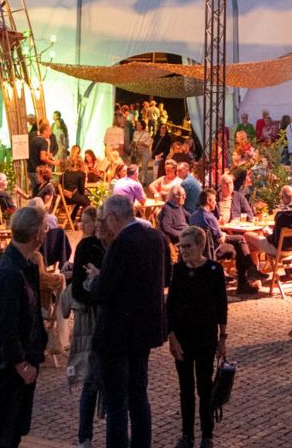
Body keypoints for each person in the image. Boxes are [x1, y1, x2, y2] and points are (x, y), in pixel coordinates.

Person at [85, 193, 170, 448]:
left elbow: (105, 291)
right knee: (138, 396)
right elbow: (165, 278)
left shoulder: (121, 243)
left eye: (104, 219)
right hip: (144, 331)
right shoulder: (155, 236)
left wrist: (94, 282)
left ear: (112, 217)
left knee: (116, 404)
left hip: (117, 334)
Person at [0, 204, 50, 448]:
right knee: (2, 432)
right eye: (44, 228)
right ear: (36, 234)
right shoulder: (10, 272)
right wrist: (20, 363)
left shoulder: (24, 265)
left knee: (15, 429)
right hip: (8, 366)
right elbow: (5, 324)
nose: (47, 231)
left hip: (20, 361)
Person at [166, 225, 228, 448]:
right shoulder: (179, 271)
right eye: (181, 246)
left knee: (205, 385)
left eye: (188, 246)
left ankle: (207, 433)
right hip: (182, 338)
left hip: (206, 336)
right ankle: (187, 434)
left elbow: (221, 305)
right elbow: (170, 306)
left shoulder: (214, 270)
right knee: (185, 388)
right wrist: (171, 336)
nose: (183, 251)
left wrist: (223, 337)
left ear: (200, 245)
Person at [69, 206, 105, 448]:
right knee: (91, 380)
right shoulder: (86, 246)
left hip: (106, 320)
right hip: (92, 319)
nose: (83, 225)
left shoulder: (110, 245)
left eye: (86, 221)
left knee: (105, 382)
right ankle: (84, 437)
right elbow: (79, 289)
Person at [158, 183, 189, 249]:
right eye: (183, 195)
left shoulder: (178, 206)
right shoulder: (167, 208)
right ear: (175, 197)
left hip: (188, 233)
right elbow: (166, 228)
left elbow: (190, 216)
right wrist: (181, 234)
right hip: (179, 239)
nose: (185, 197)